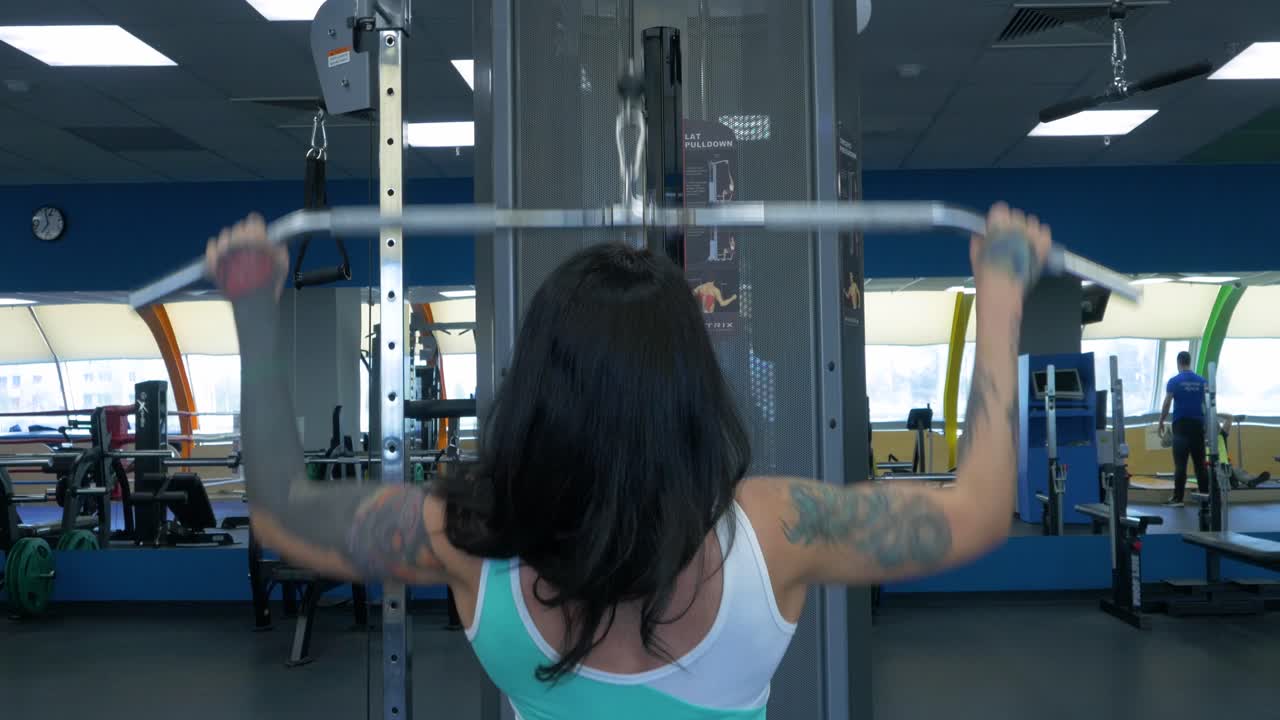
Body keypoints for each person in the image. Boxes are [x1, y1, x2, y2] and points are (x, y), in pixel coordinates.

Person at [207, 203, 1050, 719]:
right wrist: (1004, 297)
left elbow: (278, 503)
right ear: (691, 390)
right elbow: (976, 510)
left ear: (536, 383)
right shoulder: (776, 529)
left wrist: (252, 308)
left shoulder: (467, 536)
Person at [1158, 351, 1208, 507]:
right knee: (1200, 464)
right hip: (1197, 425)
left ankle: (1178, 499)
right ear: (1190, 361)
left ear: (1178, 362)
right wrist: (1205, 423)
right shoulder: (1202, 381)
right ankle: (1205, 498)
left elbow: (1167, 403)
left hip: (1180, 426)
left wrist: (1161, 421)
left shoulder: (1174, 381)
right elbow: (1207, 404)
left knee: (1180, 465)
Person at [1217, 414, 1271, 489]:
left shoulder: (1220, 436)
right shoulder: (1217, 437)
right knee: (1233, 471)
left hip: (1225, 469)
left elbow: (1229, 417)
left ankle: (1249, 481)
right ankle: (1244, 481)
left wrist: (1214, 414)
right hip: (1219, 470)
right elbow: (1229, 417)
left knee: (1237, 471)